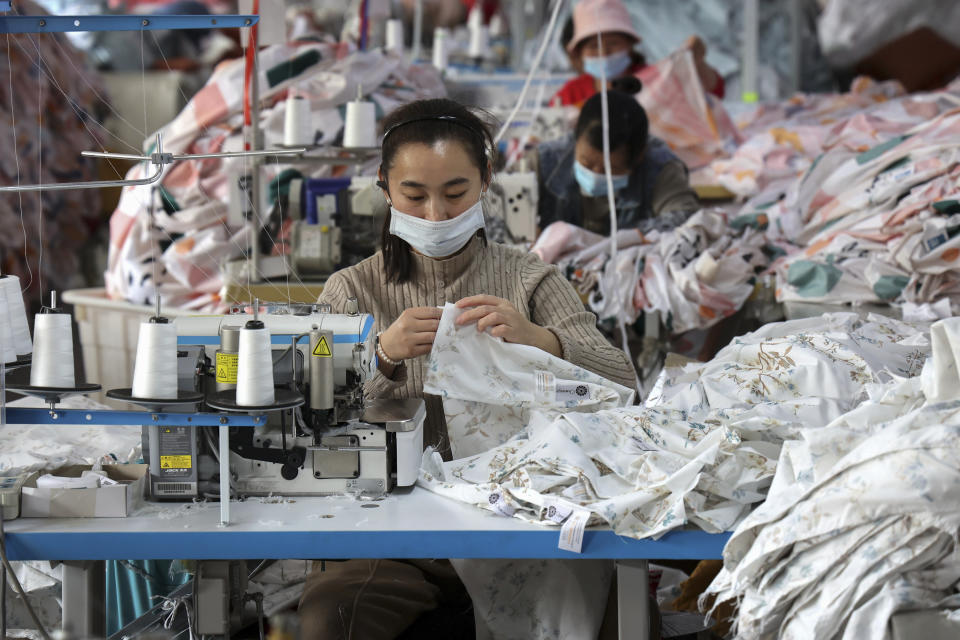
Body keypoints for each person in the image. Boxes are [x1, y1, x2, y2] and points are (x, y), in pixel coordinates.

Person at [298, 98, 636, 639]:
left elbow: (622, 380)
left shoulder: (528, 280)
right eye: (415, 194)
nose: (436, 214)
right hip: (396, 536)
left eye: (455, 193)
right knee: (331, 617)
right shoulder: (351, 290)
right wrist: (380, 355)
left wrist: (541, 339)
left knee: (621, 609)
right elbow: (312, 415)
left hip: (519, 521)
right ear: (385, 188)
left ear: (484, 184)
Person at [537, 81, 700, 236]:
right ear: (575, 139)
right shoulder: (546, 162)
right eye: (586, 163)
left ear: (639, 157)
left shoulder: (660, 168)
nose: (596, 174)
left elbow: (687, 220)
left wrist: (623, 239)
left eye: (611, 169)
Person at [552, 0, 724, 107]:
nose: (604, 52)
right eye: (593, 46)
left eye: (613, 43)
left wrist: (697, 62)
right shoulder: (570, 94)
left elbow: (711, 95)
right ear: (578, 53)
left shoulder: (656, 81)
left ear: (630, 44)